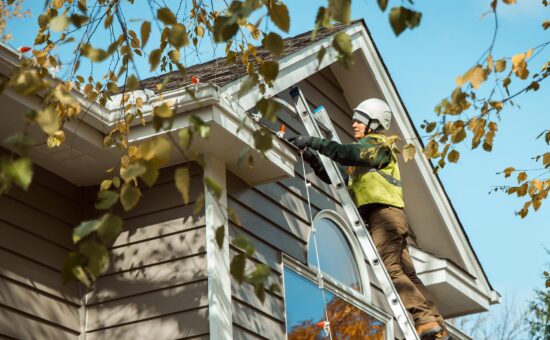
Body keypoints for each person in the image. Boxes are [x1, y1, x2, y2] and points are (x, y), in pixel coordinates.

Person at [289, 98, 449, 340]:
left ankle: (425, 322)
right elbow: (341, 178)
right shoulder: (365, 159)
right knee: (409, 275)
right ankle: (437, 329)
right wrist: (313, 157)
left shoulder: (378, 147)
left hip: (384, 217)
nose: (354, 124)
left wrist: (315, 141)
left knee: (390, 270)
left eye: (359, 121)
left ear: (373, 123)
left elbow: (345, 153)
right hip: (389, 218)